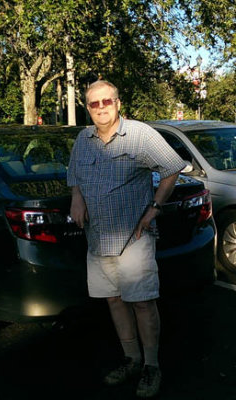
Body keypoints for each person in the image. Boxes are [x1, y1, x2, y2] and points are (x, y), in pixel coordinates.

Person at [67, 80, 185, 398]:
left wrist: (154, 209)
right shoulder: (83, 139)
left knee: (143, 304)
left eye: (107, 101)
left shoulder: (140, 134)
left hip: (135, 236)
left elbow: (173, 168)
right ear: (88, 108)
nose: (102, 107)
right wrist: (76, 198)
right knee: (114, 301)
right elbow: (75, 174)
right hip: (98, 239)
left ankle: (151, 366)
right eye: (94, 103)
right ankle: (131, 360)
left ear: (118, 103)